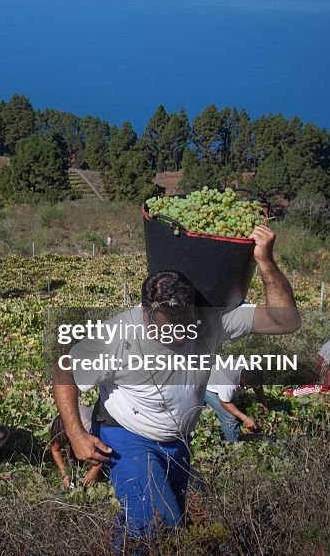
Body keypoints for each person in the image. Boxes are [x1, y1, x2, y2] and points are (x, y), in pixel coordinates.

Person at [53, 224, 300, 542]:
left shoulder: (212, 319)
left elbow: (287, 320)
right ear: (145, 314)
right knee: (161, 523)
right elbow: (64, 370)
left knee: (159, 520)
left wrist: (265, 261)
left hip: (177, 439)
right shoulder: (117, 335)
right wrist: (75, 434)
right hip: (126, 435)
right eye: (168, 328)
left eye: (185, 327)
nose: (178, 337)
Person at [204, 370, 269, 443]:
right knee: (230, 418)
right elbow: (225, 403)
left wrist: (263, 404)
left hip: (220, 377)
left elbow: (258, 387)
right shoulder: (228, 383)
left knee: (238, 409)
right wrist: (245, 419)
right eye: (248, 386)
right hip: (208, 386)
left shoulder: (254, 372)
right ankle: (234, 445)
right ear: (242, 380)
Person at [49, 404, 104, 488]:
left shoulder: (87, 427)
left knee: (94, 464)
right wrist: (64, 474)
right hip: (73, 426)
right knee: (73, 464)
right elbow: (55, 450)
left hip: (94, 427)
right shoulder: (56, 427)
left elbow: (105, 447)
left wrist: (94, 471)